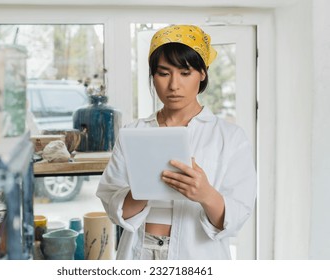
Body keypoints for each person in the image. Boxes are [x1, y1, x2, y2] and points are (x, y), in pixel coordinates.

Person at [96, 24, 257, 260]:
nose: (173, 85)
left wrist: (205, 194)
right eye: (163, 73)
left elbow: (236, 217)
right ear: (152, 76)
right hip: (139, 254)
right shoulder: (134, 133)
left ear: (202, 73)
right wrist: (145, 187)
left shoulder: (230, 137)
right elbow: (114, 208)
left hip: (198, 257)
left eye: (185, 73)